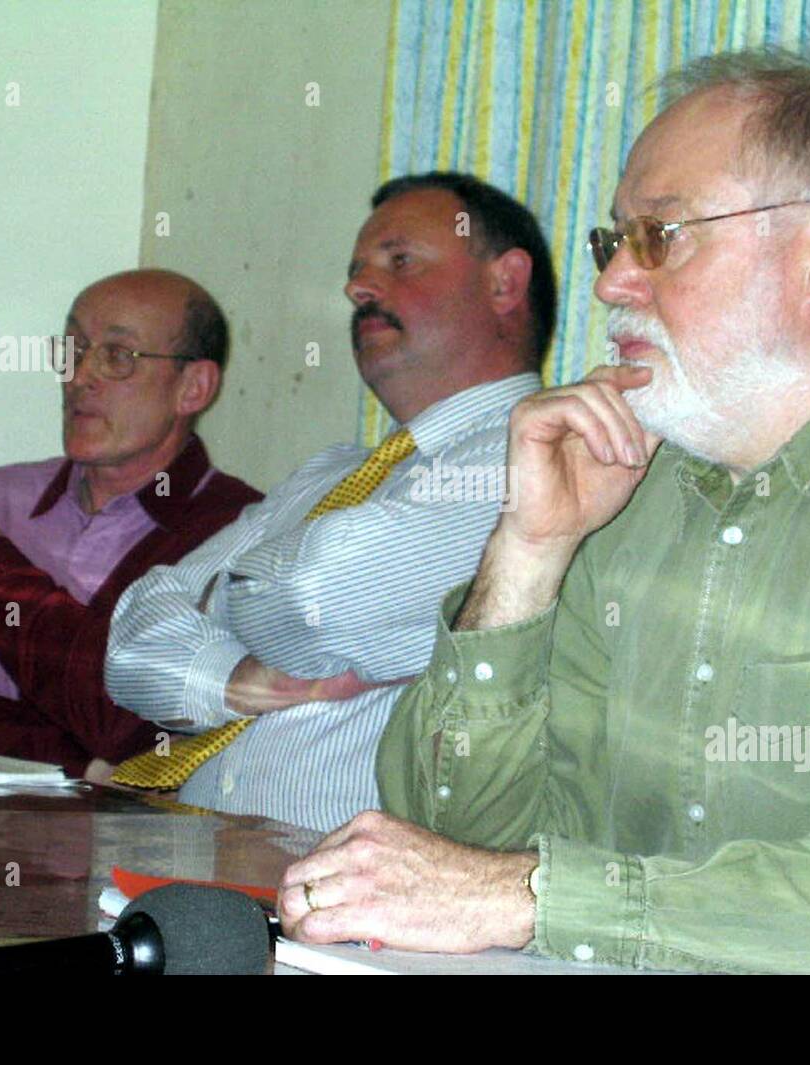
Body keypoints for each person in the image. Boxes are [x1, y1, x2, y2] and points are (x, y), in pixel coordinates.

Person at [276, 50, 810, 974]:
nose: (610, 284)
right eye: (613, 242)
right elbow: (449, 841)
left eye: (660, 237)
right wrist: (528, 554)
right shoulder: (639, 474)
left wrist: (532, 897)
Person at [104, 172, 556, 831]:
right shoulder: (334, 471)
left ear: (504, 283)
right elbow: (130, 638)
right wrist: (232, 674)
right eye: (357, 271)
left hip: (347, 900)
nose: (357, 288)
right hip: (191, 859)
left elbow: (321, 603)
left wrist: (210, 606)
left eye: (399, 261)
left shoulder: (538, 454)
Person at [0, 269, 261, 780]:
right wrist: (66, 757)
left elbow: (139, 726)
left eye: (117, 356)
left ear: (193, 387)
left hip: (118, 854)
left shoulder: (237, 531)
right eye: (73, 350)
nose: (80, 375)